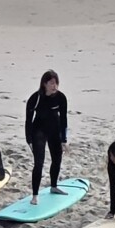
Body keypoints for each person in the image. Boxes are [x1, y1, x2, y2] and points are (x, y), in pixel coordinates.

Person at [24, 70, 69, 203]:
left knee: (57, 159)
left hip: (55, 130)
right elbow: (28, 120)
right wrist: (29, 140)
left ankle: (54, 186)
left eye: (56, 83)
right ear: (44, 84)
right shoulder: (35, 98)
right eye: (52, 83)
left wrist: (64, 139)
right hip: (39, 131)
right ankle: (35, 195)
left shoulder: (61, 98)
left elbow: (64, 119)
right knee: (39, 162)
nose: (55, 86)